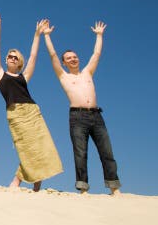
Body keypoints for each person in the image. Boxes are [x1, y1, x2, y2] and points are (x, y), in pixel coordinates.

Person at [43, 20, 120, 195]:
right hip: (77, 118)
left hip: (96, 116)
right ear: (64, 63)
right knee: (80, 153)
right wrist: (47, 35)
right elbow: (53, 55)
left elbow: (96, 54)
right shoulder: (63, 76)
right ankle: (83, 189)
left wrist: (99, 35)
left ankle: (114, 188)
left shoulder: (87, 72)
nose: (73, 59)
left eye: (75, 56)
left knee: (106, 151)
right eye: (69, 58)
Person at [0, 13, 62, 191]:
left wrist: (37, 35)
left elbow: (33, 56)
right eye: (10, 56)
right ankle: (17, 181)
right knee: (26, 147)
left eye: (15, 57)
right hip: (15, 114)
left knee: (43, 145)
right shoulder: (0, 73)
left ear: (19, 62)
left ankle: (37, 184)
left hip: (32, 111)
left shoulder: (24, 76)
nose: (12, 58)